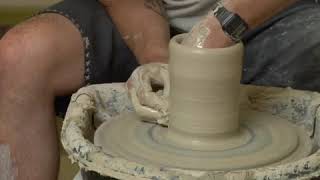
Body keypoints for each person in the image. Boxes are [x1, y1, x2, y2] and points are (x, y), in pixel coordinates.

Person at [0, 0, 319, 179]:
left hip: (271, 14)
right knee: (19, 55)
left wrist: (216, 31)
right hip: (149, 21)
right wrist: (159, 59)